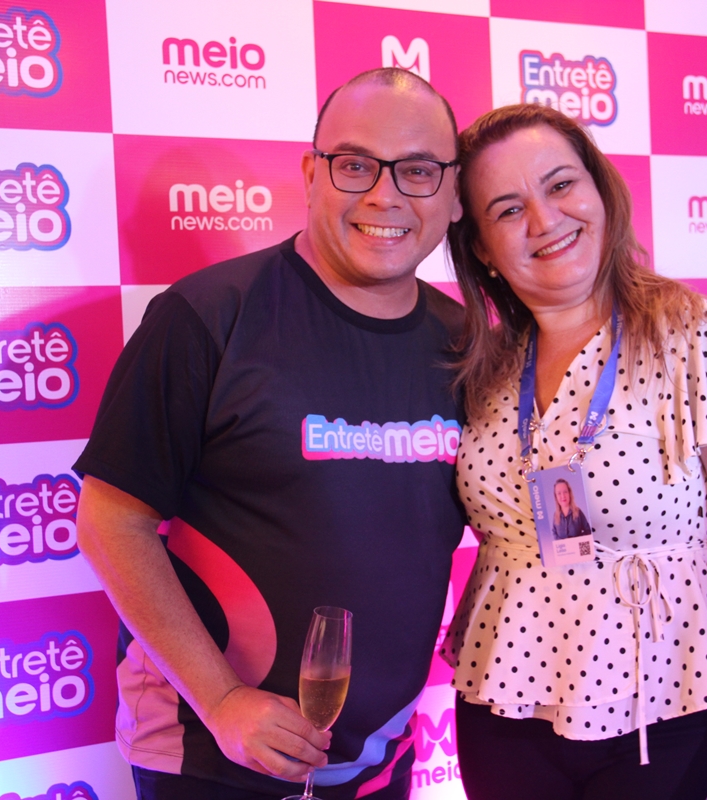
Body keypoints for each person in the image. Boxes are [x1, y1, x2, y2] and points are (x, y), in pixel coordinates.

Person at [72, 68, 467, 800]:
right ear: (311, 176)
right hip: (208, 754)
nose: (385, 195)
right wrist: (221, 700)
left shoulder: (467, 346)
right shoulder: (207, 316)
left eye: (417, 171)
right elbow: (109, 521)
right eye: (355, 165)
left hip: (381, 760)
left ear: (453, 193)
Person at [439, 103, 707, 800]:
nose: (545, 220)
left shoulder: (695, 334)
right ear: (481, 246)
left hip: (668, 701)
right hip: (503, 700)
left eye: (561, 185)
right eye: (508, 209)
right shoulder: (482, 363)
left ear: (600, 190)